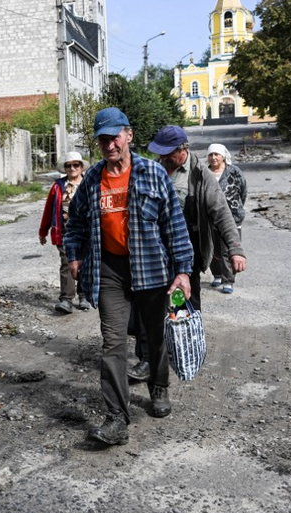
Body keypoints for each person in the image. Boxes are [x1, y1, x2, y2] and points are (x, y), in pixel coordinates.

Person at [63, 108, 194, 445]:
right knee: (113, 343)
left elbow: (174, 225)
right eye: (103, 139)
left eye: (114, 137)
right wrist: (75, 255)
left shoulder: (153, 173)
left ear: (129, 135)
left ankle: (159, 388)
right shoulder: (92, 179)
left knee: (155, 334)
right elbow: (75, 221)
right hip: (110, 270)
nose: (109, 145)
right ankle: (116, 418)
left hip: (151, 268)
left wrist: (183, 271)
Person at [127, 126, 247, 383]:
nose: (162, 158)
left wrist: (235, 250)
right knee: (145, 305)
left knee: (182, 306)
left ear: (183, 150)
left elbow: (222, 214)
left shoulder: (200, 175)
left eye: (167, 153)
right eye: (159, 153)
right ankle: (147, 359)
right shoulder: (152, 170)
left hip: (186, 253)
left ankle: (184, 352)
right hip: (153, 252)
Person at [39, 151, 91, 314]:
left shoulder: (89, 184)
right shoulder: (58, 186)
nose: (72, 168)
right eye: (68, 165)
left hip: (86, 233)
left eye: (76, 165)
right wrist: (43, 231)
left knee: (84, 263)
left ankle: (83, 296)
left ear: (81, 167)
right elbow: (48, 210)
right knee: (66, 263)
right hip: (64, 233)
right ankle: (67, 299)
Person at [206, 143, 247, 294]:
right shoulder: (204, 173)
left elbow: (243, 190)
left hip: (231, 217)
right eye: (211, 154)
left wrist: (236, 208)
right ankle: (217, 274)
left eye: (216, 154)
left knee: (228, 249)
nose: (214, 157)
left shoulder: (234, 171)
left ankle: (228, 280)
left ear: (223, 156)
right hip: (210, 218)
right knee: (212, 248)